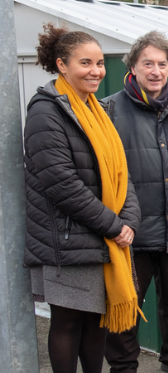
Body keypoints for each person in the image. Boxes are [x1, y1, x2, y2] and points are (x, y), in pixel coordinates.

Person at [23, 24, 142, 373]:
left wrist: (129, 221)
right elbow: (60, 183)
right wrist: (114, 226)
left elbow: (122, 173)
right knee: (68, 323)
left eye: (100, 63)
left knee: (95, 322)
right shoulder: (46, 112)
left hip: (103, 237)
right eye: (85, 63)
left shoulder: (97, 110)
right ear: (62, 65)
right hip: (67, 241)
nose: (96, 71)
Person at [103, 31, 168, 373]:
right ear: (132, 66)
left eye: (162, 64)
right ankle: (123, 367)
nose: (156, 71)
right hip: (130, 231)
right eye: (148, 63)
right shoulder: (111, 110)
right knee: (126, 304)